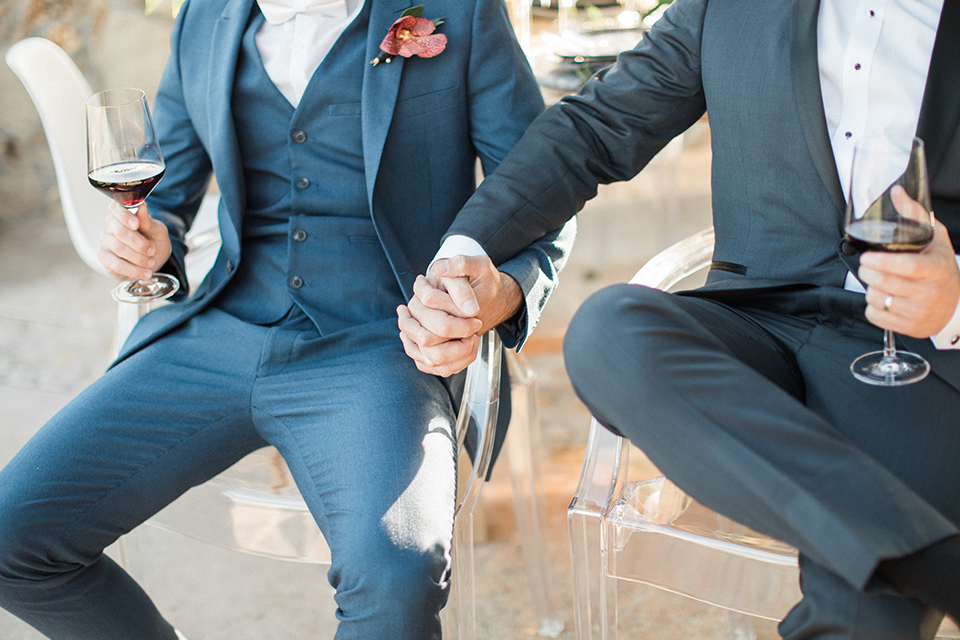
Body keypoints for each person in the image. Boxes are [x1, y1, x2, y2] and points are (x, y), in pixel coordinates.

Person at [0, 0, 575, 638]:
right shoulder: (205, 18)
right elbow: (169, 194)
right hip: (220, 330)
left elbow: (541, 191)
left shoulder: (459, 12)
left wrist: (500, 295)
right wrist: (150, 239)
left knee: (397, 576)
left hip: (382, 342)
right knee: (11, 539)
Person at [399, 0, 960, 637]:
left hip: (914, 348)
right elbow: (597, 126)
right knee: (609, 334)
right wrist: (464, 254)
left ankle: (907, 560)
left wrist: (956, 298)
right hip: (756, 323)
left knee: (865, 617)